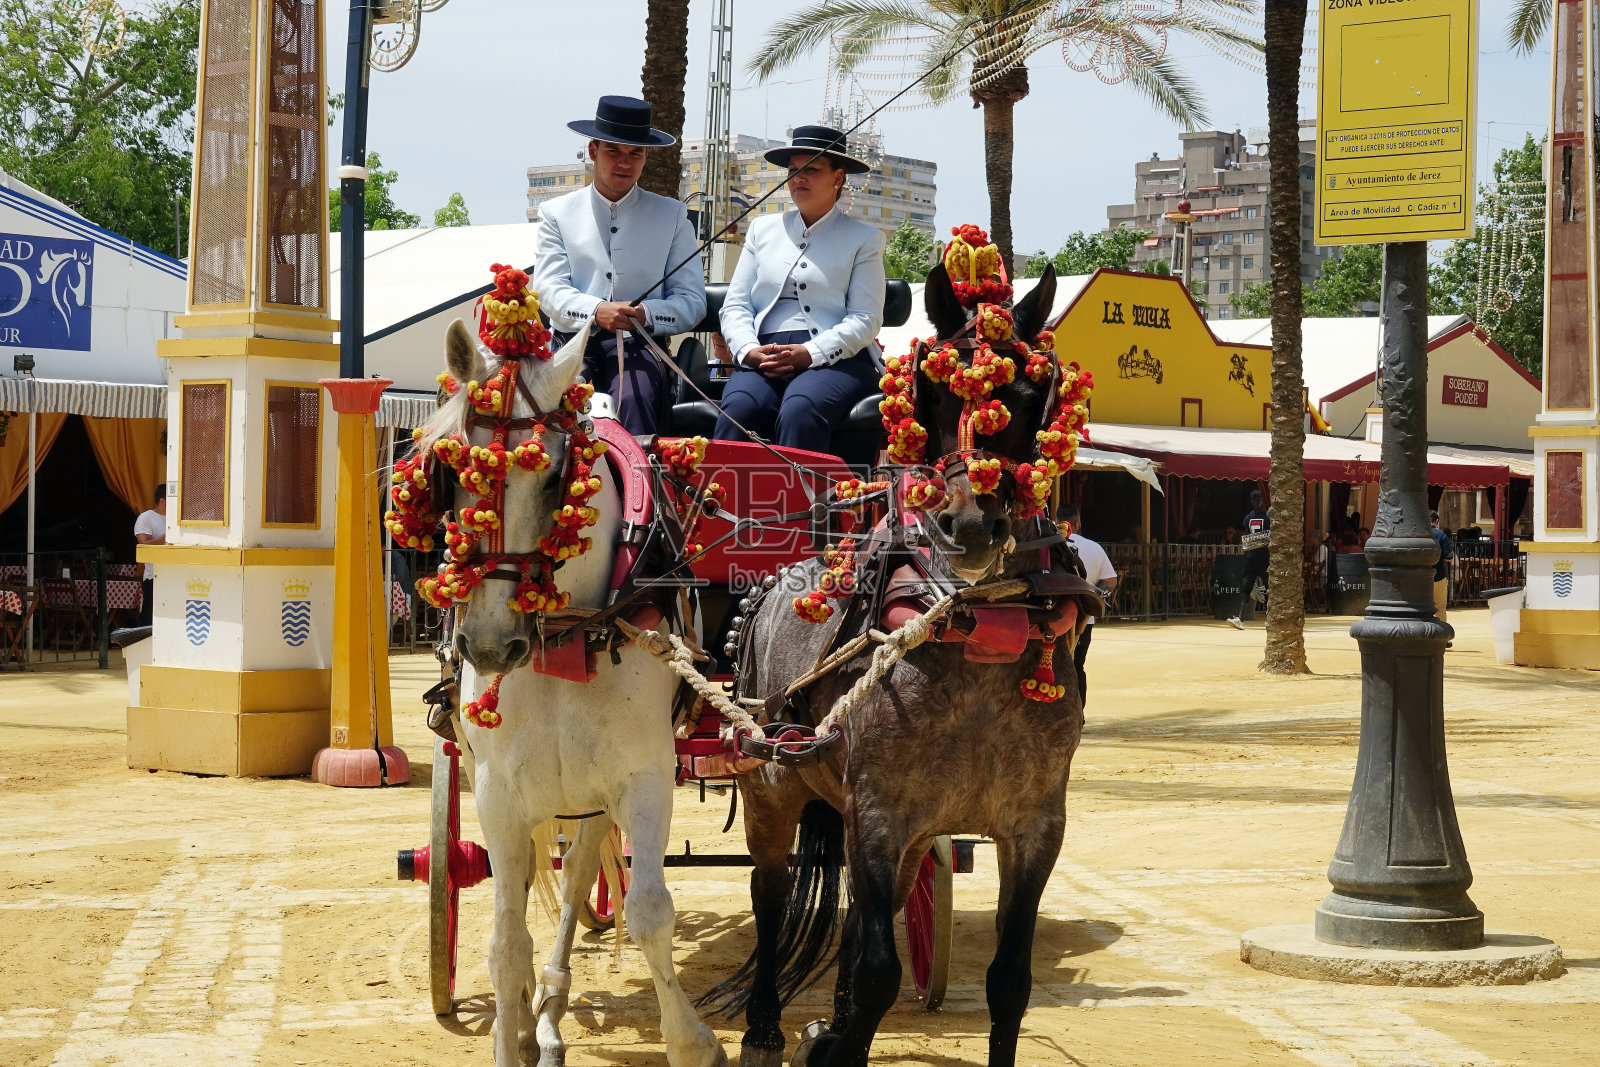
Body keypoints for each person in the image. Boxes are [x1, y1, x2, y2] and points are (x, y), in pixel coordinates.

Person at [534, 95, 706, 436]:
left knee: (634, 397)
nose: (624, 163)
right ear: (593, 151)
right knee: (560, 404)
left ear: (646, 157)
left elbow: (692, 301)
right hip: (570, 344)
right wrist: (597, 311)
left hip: (639, 345)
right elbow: (549, 290)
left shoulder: (672, 215)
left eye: (635, 153)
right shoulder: (556, 213)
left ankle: (638, 471)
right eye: (613, 151)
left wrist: (646, 314)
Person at [714, 125, 886, 453]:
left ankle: (801, 489)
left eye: (811, 169)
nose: (798, 178)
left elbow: (865, 319)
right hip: (764, 354)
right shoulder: (762, 229)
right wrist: (749, 351)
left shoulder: (864, 239)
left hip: (838, 360)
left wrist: (811, 353)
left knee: (801, 409)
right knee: (739, 408)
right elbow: (736, 305)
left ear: (838, 178)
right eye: (793, 170)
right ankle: (724, 487)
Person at [1058, 501, 1117, 708]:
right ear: (1077, 523)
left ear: (1056, 522)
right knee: (1076, 666)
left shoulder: (1048, 544)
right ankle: (1078, 715)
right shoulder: (1094, 547)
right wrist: (1093, 598)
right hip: (1083, 619)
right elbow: (1110, 581)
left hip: (1051, 617)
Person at [1228, 489, 1270, 629]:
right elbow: (1247, 534)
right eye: (1255, 499)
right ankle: (1241, 618)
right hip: (1251, 558)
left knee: (1269, 587)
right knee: (1246, 586)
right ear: (1251, 501)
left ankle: (1273, 616)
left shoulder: (1268, 516)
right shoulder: (1247, 518)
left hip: (1264, 557)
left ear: (1262, 500)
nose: (1257, 501)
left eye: (1259, 498)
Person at [134, 485, 166, 625]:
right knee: (149, 617)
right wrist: (164, 540)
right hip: (154, 576)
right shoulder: (146, 517)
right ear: (162, 500)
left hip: (175, 574)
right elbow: (143, 545)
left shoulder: (176, 519)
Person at [1431, 509, 1457, 627]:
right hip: (1438, 575)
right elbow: (1449, 557)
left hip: (1420, 577)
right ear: (1436, 521)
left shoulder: (1418, 534)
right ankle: (1441, 632)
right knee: (1440, 607)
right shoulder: (1441, 535)